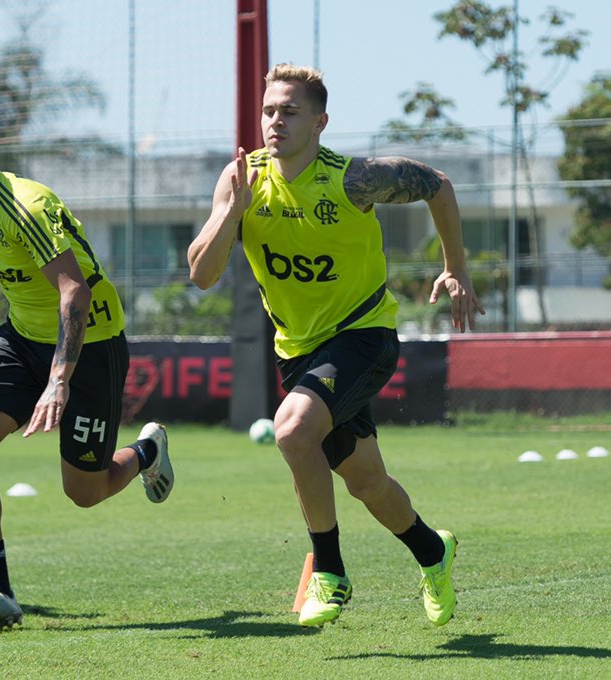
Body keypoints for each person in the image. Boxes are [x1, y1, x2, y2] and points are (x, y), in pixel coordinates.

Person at [188, 64, 485, 628]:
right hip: (297, 351)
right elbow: (202, 275)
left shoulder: (356, 180)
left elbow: (438, 185)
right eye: (269, 111)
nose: (276, 121)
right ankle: (433, 551)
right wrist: (231, 210)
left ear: (320, 122)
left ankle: (330, 572)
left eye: (290, 112)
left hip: (363, 335)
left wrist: (456, 269)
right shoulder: (240, 179)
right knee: (366, 481)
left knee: (293, 429)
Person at [0, 117, 174, 632]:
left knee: (85, 491)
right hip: (20, 338)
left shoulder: (27, 207)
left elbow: (73, 291)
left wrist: (60, 378)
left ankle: (147, 451)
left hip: (91, 344)